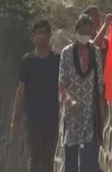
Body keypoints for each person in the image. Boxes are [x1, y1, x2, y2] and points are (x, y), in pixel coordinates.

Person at [11, 19, 60, 172]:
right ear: (33, 36)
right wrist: (15, 119)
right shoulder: (27, 61)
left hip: (52, 118)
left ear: (49, 36)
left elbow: (63, 88)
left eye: (45, 33)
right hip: (32, 119)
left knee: (48, 160)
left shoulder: (57, 60)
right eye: (39, 33)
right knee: (35, 157)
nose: (42, 36)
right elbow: (21, 90)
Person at [59, 14, 105, 172]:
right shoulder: (67, 53)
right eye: (81, 31)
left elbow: (99, 87)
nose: (84, 35)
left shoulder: (96, 53)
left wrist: (101, 113)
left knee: (89, 162)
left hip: (90, 114)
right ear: (76, 30)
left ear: (91, 32)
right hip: (72, 112)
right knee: (70, 161)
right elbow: (62, 83)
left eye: (87, 32)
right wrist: (69, 99)